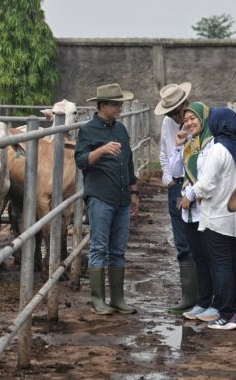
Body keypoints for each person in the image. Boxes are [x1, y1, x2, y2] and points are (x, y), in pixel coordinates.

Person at [75, 83, 139, 315]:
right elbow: (81, 161)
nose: (120, 107)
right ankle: (97, 299)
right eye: (115, 104)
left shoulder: (120, 129)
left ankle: (118, 299)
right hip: (101, 195)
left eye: (120, 103)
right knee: (99, 247)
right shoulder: (88, 130)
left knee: (118, 249)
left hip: (122, 196)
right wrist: (101, 150)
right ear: (102, 106)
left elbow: (129, 161)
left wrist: (134, 192)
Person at [190, 107, 236, 330]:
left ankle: (226, 314)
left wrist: (192, 194)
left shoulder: (217, 149)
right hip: (235, 215)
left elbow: (206, 185)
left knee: (222, 265)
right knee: (232, 264)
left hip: (217, 215)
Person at [170, 102, 219, 322]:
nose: (189, 123)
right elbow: (174, 172)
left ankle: (217, 303)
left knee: (211, 258)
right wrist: (179, 146)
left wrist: (190, 195)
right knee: (199, 257)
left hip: (205, 208)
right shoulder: (190, 144)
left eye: (193, 119)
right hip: (190, 212)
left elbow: (208, 177)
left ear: (203, 119)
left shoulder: (212, 144)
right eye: (186, 120)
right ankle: (203, 301)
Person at [154, 82, 197, 314]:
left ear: (185, 104)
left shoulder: (198, 121)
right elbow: (163, 151)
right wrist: (168, 177)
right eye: (170, 112)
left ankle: (205, 297)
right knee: (182, 242)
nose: (175, 116)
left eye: (177, 110)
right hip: (177, 183)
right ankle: (189, 297)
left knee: (201, 238)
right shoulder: (167, 123)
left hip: (196, 183)